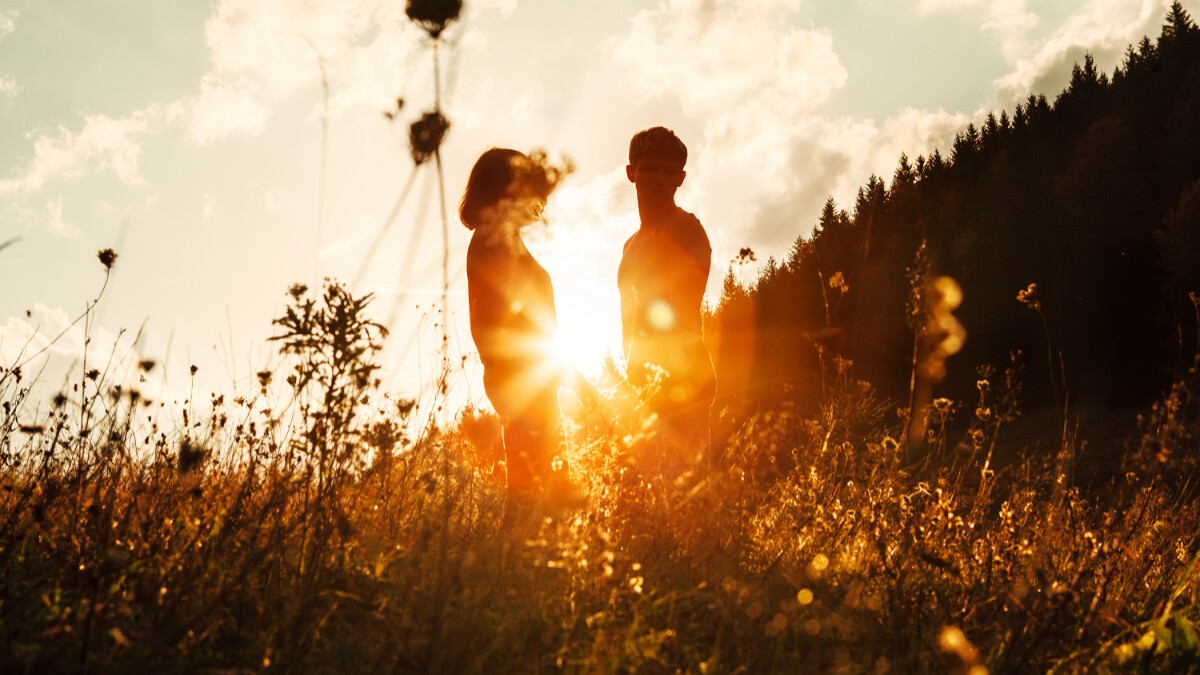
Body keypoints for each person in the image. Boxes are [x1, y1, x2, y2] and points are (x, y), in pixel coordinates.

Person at [461, 148, 596, 502]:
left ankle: (521, 556)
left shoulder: (505, 241)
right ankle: (513, 556)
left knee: (541, 494)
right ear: (501, 190)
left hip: (532, 384)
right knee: (530, 496)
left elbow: (537, 331)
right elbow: (498, 327)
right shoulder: (493, 243)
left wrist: (571, 380)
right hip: (522, 385)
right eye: (521, 186)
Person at [617, 127, 716, 469]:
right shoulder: (629, 247)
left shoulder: (686, 229)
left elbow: (683, 306)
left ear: (681, 179)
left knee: (687, 505)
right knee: (645, 509)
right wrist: (630, 383)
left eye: (669, 171)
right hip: (642, 388)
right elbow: (626, 324)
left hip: (683, 383)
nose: (660, 177)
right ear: (632, 173)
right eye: (651, 168)